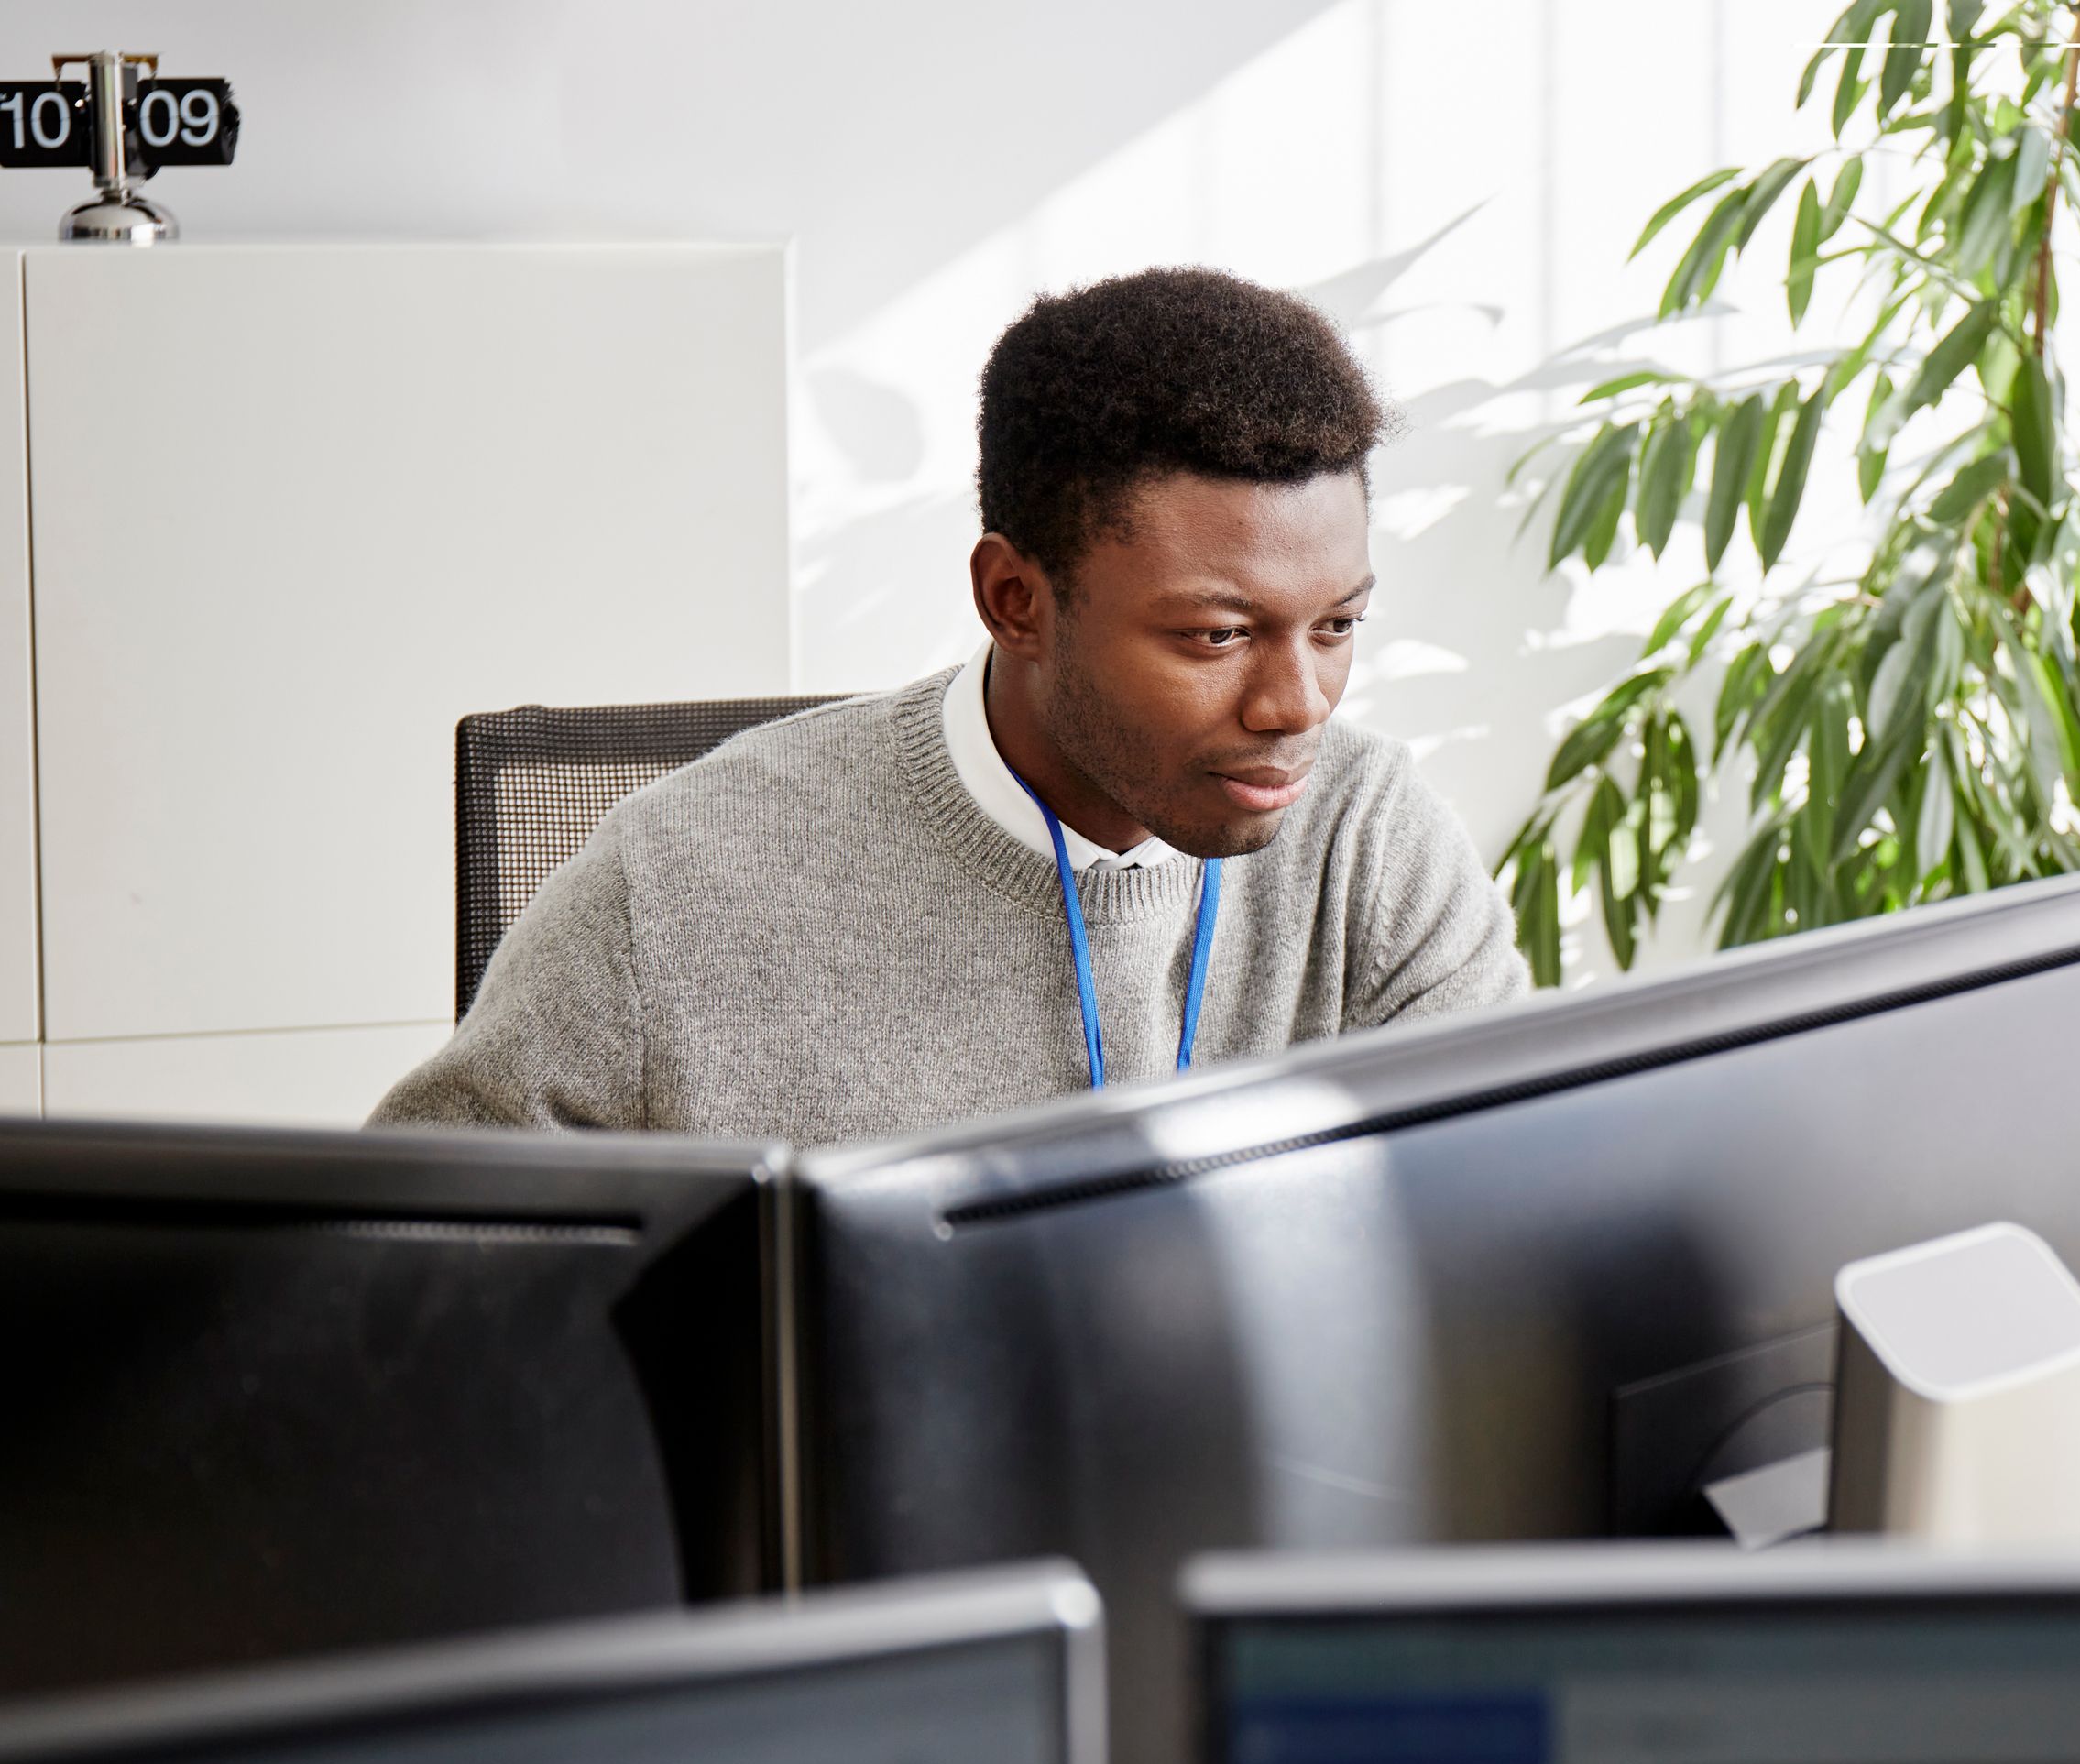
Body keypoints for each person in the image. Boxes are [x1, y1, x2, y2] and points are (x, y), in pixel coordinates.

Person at [372, 267, 1530, 1146]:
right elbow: (401, 1281)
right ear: (1015, 599)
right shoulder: (678, 884)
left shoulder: (1369, 838)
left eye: (1335, 626)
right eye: (1219, 635)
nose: (1297, 704)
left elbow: (1522, 1207)